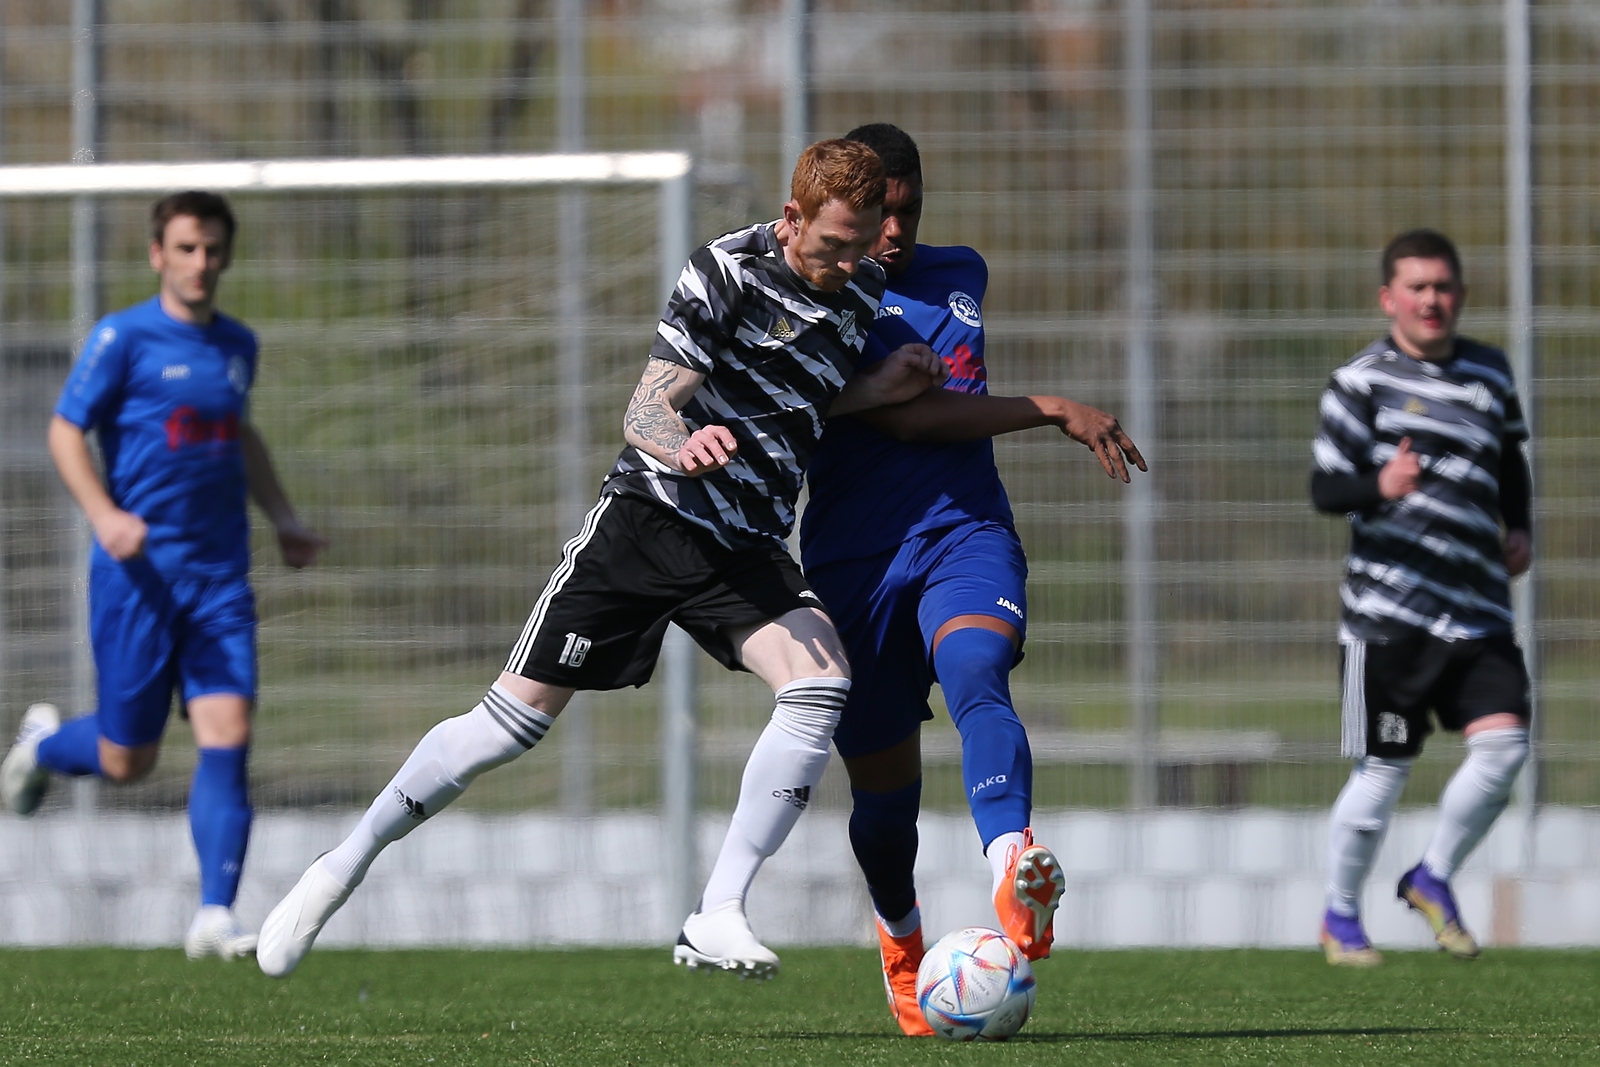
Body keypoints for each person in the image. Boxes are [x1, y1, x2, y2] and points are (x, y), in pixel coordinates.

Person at [255, 139, 946, 980]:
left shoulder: (864, 287)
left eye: (861, 241)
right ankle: (341, 865)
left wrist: (878, 390)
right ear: (793, 217)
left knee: (819, 684)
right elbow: (647, 407)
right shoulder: (724, 271)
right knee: (503, 731)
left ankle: (717, 909)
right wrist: (685, 442)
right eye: (833, 242)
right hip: (648, 524)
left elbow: (804, 395)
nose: (847, 260)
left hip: (747, 542)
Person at [801, 124, 1146, 1035]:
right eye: (880, 217)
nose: (895, 235)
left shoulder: (962, 274)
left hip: (965, 533)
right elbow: (912, 421)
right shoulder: (814, 290)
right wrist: (1054, 408)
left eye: (909, 214)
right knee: (886, 808)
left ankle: (1013, 868)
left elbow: (938, 418)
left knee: (977, 675)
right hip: (854, 562)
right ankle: (901, 940)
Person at [0, 190, 326, 959]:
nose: (200, 263)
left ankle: (213, 914)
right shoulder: (122, 338)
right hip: (137, 578)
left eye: (212, 249)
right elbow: (63, 430)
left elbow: (239, 435)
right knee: (126, 757)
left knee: (230, 729)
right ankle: (44, 746)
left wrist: (282, 517)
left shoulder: (238, 344)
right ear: (158, 254)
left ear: (226, 256)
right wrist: (104, 515)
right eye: (185, 248)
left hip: (219, 578)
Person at [1312, 229, 1531, 966]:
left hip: (1477, 610)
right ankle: (1341, 915)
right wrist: (1380, 486)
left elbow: (1510, 460)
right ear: (1389, 298)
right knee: (1385, 771)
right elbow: (1324, 488)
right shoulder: (1359, 382)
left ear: (1459, 295)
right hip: (1388, 619)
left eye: (1443, 286)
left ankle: (1431, 873)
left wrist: (1520, 525)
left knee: (1504, 748)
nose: (1432, 299)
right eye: (1417, 286)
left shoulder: (1490, 373)